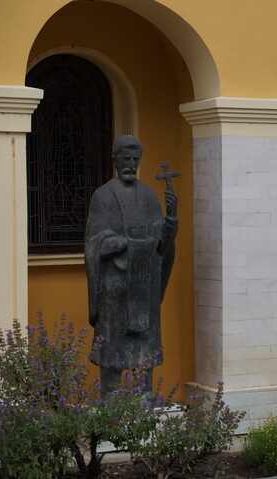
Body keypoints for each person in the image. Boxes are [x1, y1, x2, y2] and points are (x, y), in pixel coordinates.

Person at [85, 135, 178, 396]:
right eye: (126, 158)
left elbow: (162, 244)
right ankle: (111, 392)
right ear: (115, 160)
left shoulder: (149, 195)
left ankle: (144, 391)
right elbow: (95, 241)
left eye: (135, 159)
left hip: (143, 281)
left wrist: (171, 219)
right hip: (115, 285)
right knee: (113, 341)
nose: (131, 164)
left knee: (145, 339)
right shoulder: (103, 196)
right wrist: (121, 243)